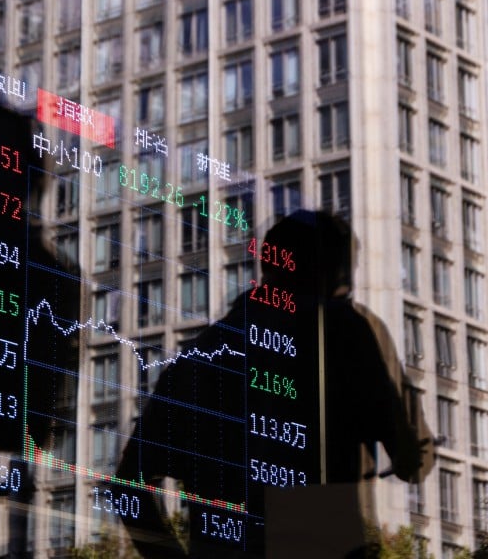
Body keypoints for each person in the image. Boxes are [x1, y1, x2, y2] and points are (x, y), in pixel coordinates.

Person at [116, 210, 433, 558]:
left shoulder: (201, 355)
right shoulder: (345, 330)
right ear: (329, 271)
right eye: (345, 273)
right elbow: (414, 461)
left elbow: (129, 484)